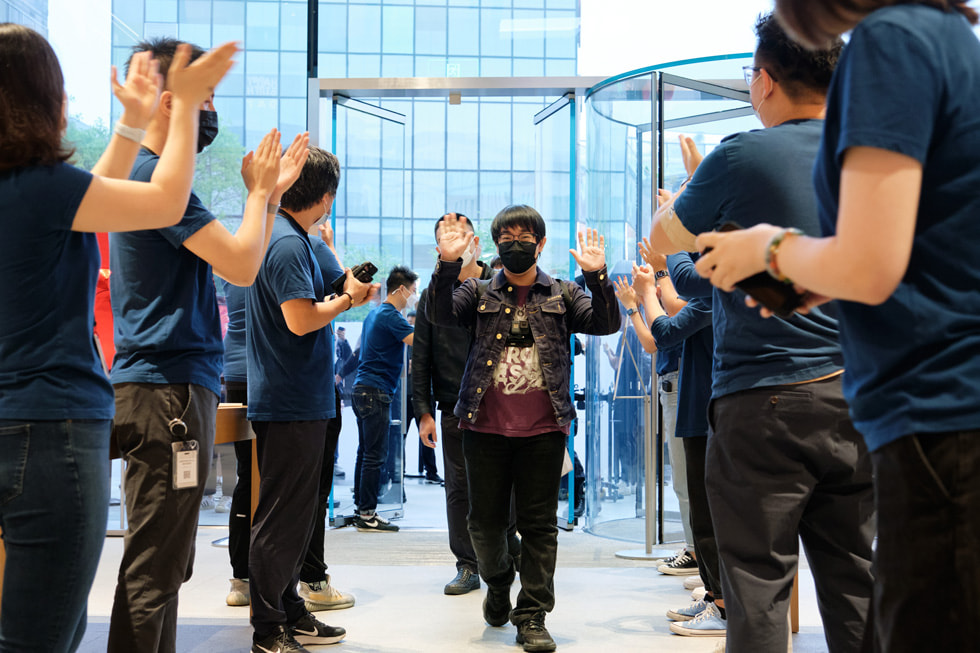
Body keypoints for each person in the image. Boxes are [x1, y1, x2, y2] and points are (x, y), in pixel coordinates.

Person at [695, 2, 980, 650]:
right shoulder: (941, 36)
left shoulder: (892, 42)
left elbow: (873, 264)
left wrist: (769, 250)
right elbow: (916, 247)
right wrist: (818, 277)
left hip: (933, 414)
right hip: (921, 410)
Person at [0, 24, 235, 653]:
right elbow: (162, 201)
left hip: (34, 415)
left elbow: (91, 201)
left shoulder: (39, 195)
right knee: (46, 630)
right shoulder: (44, 189)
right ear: (43, 100)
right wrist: (183, 108)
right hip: (51, 425)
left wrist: (133, 126)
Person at [650, 15, 874, 653]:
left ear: (767, 81)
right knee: (856, 582)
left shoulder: (742, 153)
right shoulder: (876, 159)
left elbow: (663, 239)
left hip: (762, 402)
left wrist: (694, 192)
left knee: (757, 588)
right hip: (856, 399)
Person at [107, 36, 309, 653]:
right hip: (165, 392)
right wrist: (259, 195)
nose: (211, 110)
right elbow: (243, 266)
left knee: (162, 559)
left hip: (166, 386)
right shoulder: (151, 182)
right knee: (157, 563)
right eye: (206, 95)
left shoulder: (149, 183)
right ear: (169, 101)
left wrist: (267, 197)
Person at [433, 207, 620, 653]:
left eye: (524, 235)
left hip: (543, 430)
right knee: (484, 524)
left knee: (540, 526)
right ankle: (497, 582)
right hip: (484, 428)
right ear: (496, 245)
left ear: (540, 243)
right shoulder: (476, 291)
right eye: (507, 236)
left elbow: (606, 323)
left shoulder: (563, 292)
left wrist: (597, 276)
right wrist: (447, 264)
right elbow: (440, 314)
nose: (515, 242)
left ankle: (532, 614)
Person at [245, 145, 375, 652]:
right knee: (280, 518)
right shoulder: (282, 242)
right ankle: (267, 627)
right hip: (289, 401)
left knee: (300, 516)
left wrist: (344, 290)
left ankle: (291, 610)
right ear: (324, 197)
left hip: (304, 399)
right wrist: (346, 301)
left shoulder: (291, 238)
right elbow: (301, 320)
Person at [413, 212, 496, 595]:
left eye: (461, 237)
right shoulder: (433, 292)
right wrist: (424, 412)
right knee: (458, 489)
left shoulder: (498, 283)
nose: (457, 245)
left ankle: (501, 555)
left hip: (500, 405)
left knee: (501, 485)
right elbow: (422, 357)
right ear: (439, 249)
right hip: (452, 405)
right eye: (448, 239)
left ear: (475, 241)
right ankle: (467, 564)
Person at [351, 265, 418, 532]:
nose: (414, 296)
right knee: (375, 455)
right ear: (400, 290)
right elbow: (419, 341)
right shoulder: (391, 315)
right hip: (375, 391)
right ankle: (368, 515)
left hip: (362, 389)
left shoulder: (374, 313)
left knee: (365, 452)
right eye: (413, 291)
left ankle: (361, 509)